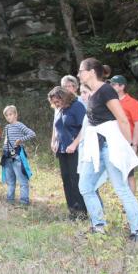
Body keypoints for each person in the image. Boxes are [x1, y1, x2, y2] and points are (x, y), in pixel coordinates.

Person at [75, 58, 138, 242]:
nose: (78, 74)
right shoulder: (92, 93)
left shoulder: (106, 90)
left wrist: (129, 146)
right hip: (94, 148)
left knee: (122, 189)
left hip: (108, 146)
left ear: (91, 72)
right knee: (85, 186)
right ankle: (98, 226)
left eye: (81, 70)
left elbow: (122, 119)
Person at [48, 86, 88, 219]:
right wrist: (54, 141)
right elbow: (56, 126)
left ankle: (82, 211)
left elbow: (85, 128)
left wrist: (74, 144)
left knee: (75, 179)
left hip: (75, 149)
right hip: (62, 149)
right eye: (54, 102)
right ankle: (72, 209)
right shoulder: (59, 109)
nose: (56, 104)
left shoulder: (77, 107)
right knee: (66, 179)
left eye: (57, 101)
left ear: (64, 97)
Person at [109, 75, 138, 193]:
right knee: (117, 175)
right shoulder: (109, 102)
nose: (111, 86)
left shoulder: (133, 103)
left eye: (114, 84)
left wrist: (134, 144)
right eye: (111, 84)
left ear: (122, 86)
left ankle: (132, 202)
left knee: (129, 174)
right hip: (113, 142)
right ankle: (125, 202)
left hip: (126, 143)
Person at [0, 105, 36, 205]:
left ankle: (24, 201)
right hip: (7, 157)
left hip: (17, 157)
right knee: (10, 181)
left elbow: (32, 133)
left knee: (22, 180)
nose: (8, 117)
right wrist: (4, 151)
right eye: (6, 115)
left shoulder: (19, 125)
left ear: (16, 115)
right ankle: (10, 199)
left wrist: (21, 140)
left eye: (10, 114)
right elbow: (6, 140)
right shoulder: (7, 127)